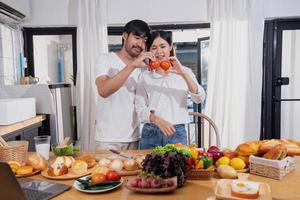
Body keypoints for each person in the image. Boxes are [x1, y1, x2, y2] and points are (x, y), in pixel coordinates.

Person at [135, 30, 206, 149]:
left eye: (163, 46)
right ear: (149, 51)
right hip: (150, 132)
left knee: (177, 167)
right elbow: (139, 108)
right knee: (147, 167)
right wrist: (157, 120)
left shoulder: (185, 72)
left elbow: (199, 98)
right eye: (154, 47)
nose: (158, 51)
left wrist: (182, 73)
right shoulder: (145, 76)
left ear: (170, 47)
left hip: (176, 133)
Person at [94, 19, 154, 150]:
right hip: (108, 139)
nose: (140, 44)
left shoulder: (144, 66)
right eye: (137, 37)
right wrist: (132, 65)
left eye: (144, 40)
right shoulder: (106, 59)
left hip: (134, 137)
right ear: (125, 36)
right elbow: (103, 91)